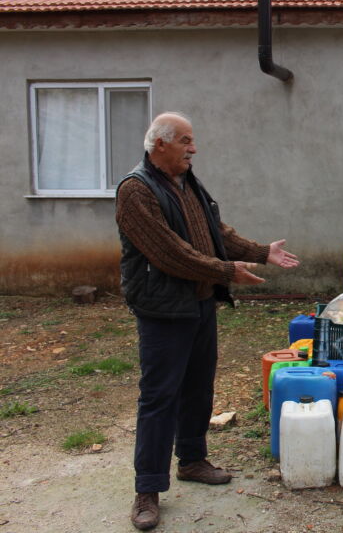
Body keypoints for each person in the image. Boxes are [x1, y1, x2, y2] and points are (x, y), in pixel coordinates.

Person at [115, 112, 298, 530]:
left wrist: (258, 250)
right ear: (159, 144)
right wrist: (225, 271)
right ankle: (147, 489)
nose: (193, 148)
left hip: (198, 304)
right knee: (159, 396)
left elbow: (214, 231)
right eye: (185, 140)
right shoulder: (135, 191)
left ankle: (193, 460)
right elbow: (169, 252)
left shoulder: (185, 182)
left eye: (192, 140)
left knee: (198, 387)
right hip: (163, 309)